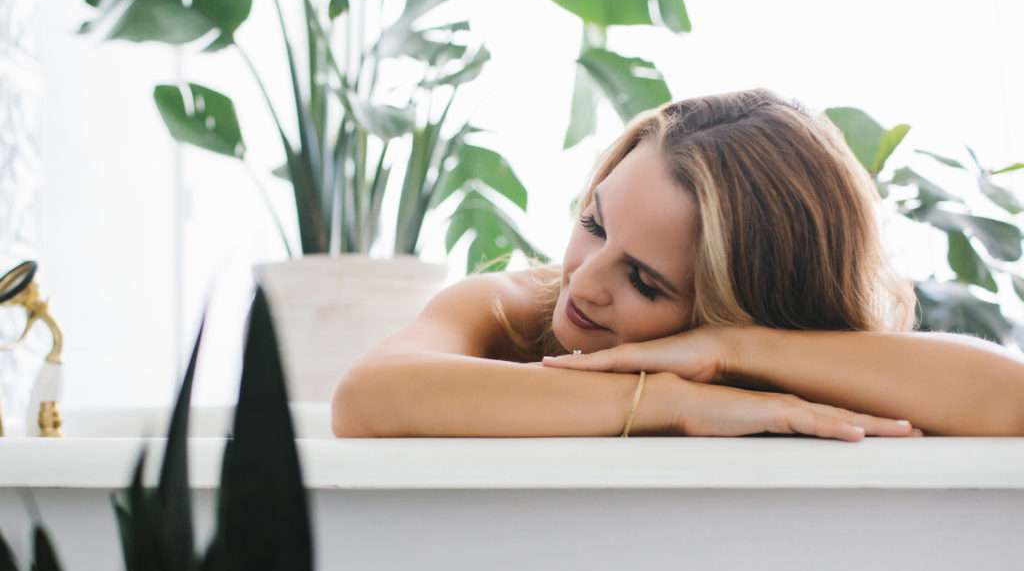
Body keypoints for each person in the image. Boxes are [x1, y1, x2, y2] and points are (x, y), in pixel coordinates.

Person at [332, 89, 1024, 438]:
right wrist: (673, 399)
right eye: (594, 223)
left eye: (644, 280)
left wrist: (729, 350)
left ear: (738, 300)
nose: (585, 281)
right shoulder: (517, 307)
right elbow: (364, 398)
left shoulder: (760, 353)